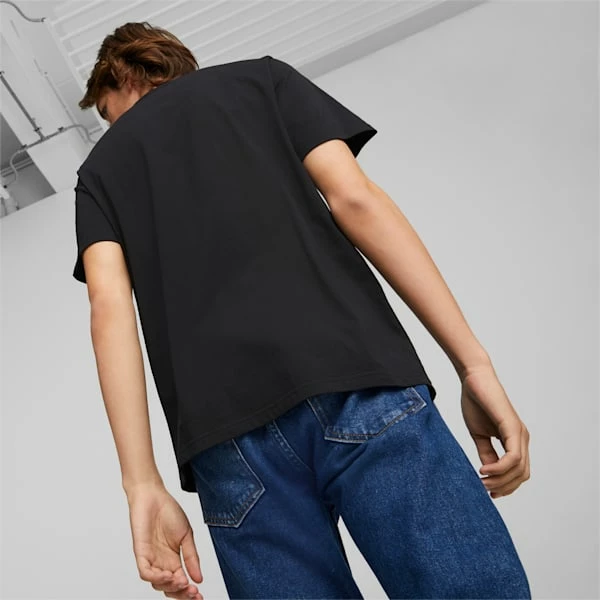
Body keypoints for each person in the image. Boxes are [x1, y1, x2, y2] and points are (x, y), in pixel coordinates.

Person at [73, 21, 531, 600]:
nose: (113, 129)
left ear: (127, 75)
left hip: (227, 444)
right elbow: (355, 199)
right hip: (357, 379)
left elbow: (109, 307)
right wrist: (473, 364)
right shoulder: (262, 82)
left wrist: (142, 484)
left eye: (108, 113)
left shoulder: (99, 173)